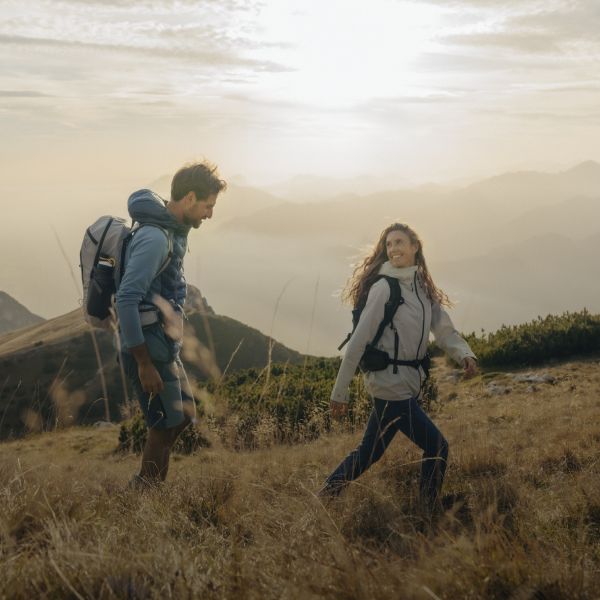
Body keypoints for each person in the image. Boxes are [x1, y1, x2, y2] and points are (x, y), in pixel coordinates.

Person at [320, 223, 477, 515]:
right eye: (389, 244)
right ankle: (428, 511)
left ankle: (327, 495)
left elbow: (444, 332)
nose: (393, 249)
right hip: (390, 385)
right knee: (437, 447)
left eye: (399, 242)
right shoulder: (384, 288)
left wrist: (465, 355)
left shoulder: (423, 289)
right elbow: (357, 343)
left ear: (415, 246)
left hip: (406, 382)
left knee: (369, 453)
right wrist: (339, 392)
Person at [116, 161, 226, 487]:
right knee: (163, 426)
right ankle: (146, 497)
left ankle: (149, 488)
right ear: (190, 198)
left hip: (164, 345)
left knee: (185, 415)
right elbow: (126, 300)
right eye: (208, 206)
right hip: (148, 346)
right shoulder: (155, 239)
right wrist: (144, 363)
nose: (209, 214)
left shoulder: (171, 231)